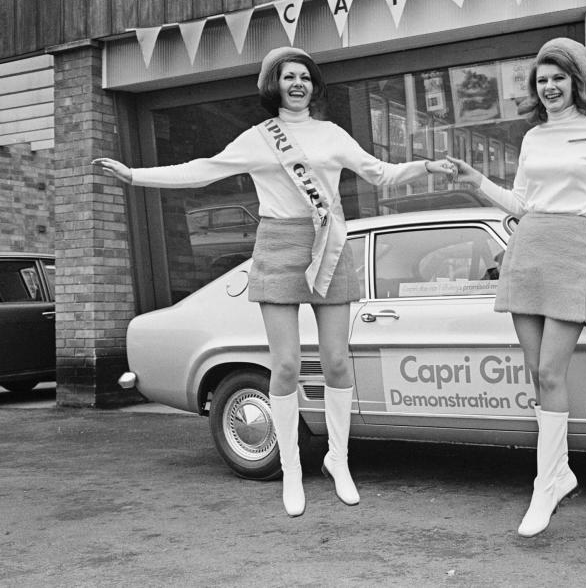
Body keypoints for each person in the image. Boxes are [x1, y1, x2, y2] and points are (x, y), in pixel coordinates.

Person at [93, 47, 455, 517]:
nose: (298, 84)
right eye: (289, 77)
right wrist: (135, 175)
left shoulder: (331, 133)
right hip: (280, 246)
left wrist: (425, 166)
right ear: (274, 85)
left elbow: (379, 172)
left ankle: (338, 461)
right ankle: (290, 469)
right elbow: (202, 170)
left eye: (305, 77)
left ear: (314, 85)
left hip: (330, 244)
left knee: (337, 362)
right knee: (283, 366)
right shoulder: (259, 138)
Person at [446, 37, 586, 538]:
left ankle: (546, 484)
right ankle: (559, 474)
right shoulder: (533, 138)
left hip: (573, 248)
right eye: (541, 81)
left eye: (558, 79)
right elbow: (520, 203)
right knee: (536, 375)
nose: (549, 88)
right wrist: (477, 179)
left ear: (577, 82)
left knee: (550, 370)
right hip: (529, 248)